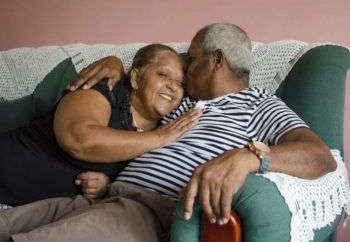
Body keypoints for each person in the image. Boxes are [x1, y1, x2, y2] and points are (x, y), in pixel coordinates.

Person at [0, 23, 336, 242]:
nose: (186, 69)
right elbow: (135, 103)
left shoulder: (258, 105)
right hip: (101, 197)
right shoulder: (183, 102)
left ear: (216, 60)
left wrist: (250, 159)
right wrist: (115, 62)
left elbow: (320, 156)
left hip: (146, 213)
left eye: (191, 58)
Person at [0, 44, 201, 207]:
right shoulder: (105, 86)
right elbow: (79, 140)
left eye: (181, 84)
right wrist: (160, 137)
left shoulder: (171, 128)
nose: (173, 86)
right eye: (163, 75)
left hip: (32, 215)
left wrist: (109, 185)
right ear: (136, 78)